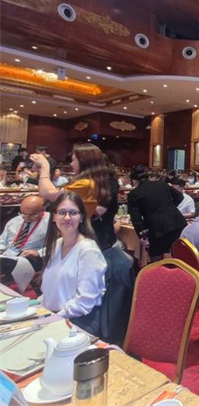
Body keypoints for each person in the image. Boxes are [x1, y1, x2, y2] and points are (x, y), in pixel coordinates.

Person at [31, 143, 120, 251]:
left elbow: (47, 193)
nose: (71, 163)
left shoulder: (86, 184)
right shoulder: (92, 181)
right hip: (87, 236)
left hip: (83, 236)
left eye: (73, 160)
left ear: (83, 161)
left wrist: (45, 166)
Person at [41, 191, 107, 336]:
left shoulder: (88, 250)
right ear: (54, 217)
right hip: (54, 316)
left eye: (73, 213)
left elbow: (84, 302)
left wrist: (52, 319)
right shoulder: (56, 245)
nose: (67, 217)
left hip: (78, 321)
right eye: (62, 212)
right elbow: (50, 290)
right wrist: (39, 310)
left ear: (81, 217)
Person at [127, 166, 187, 261]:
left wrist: (143, 237)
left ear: (134, 181)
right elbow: (179, 196)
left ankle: (159, 271)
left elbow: (136, 219)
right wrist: (169, 207)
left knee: (156, 258)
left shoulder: (134, 194)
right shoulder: (162, 184)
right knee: (179, 255)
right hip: (176, 222)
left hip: (155, 228)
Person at [0, 196, 50, 292]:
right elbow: (2, 241)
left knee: (6, 264)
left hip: (32, 256)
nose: (26, 217)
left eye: (32, 215)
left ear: (42, 210)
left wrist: (39, 252)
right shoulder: (15, 221)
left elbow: (57, 245)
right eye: (23, 213)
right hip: (9, 253)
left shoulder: (51, 222)